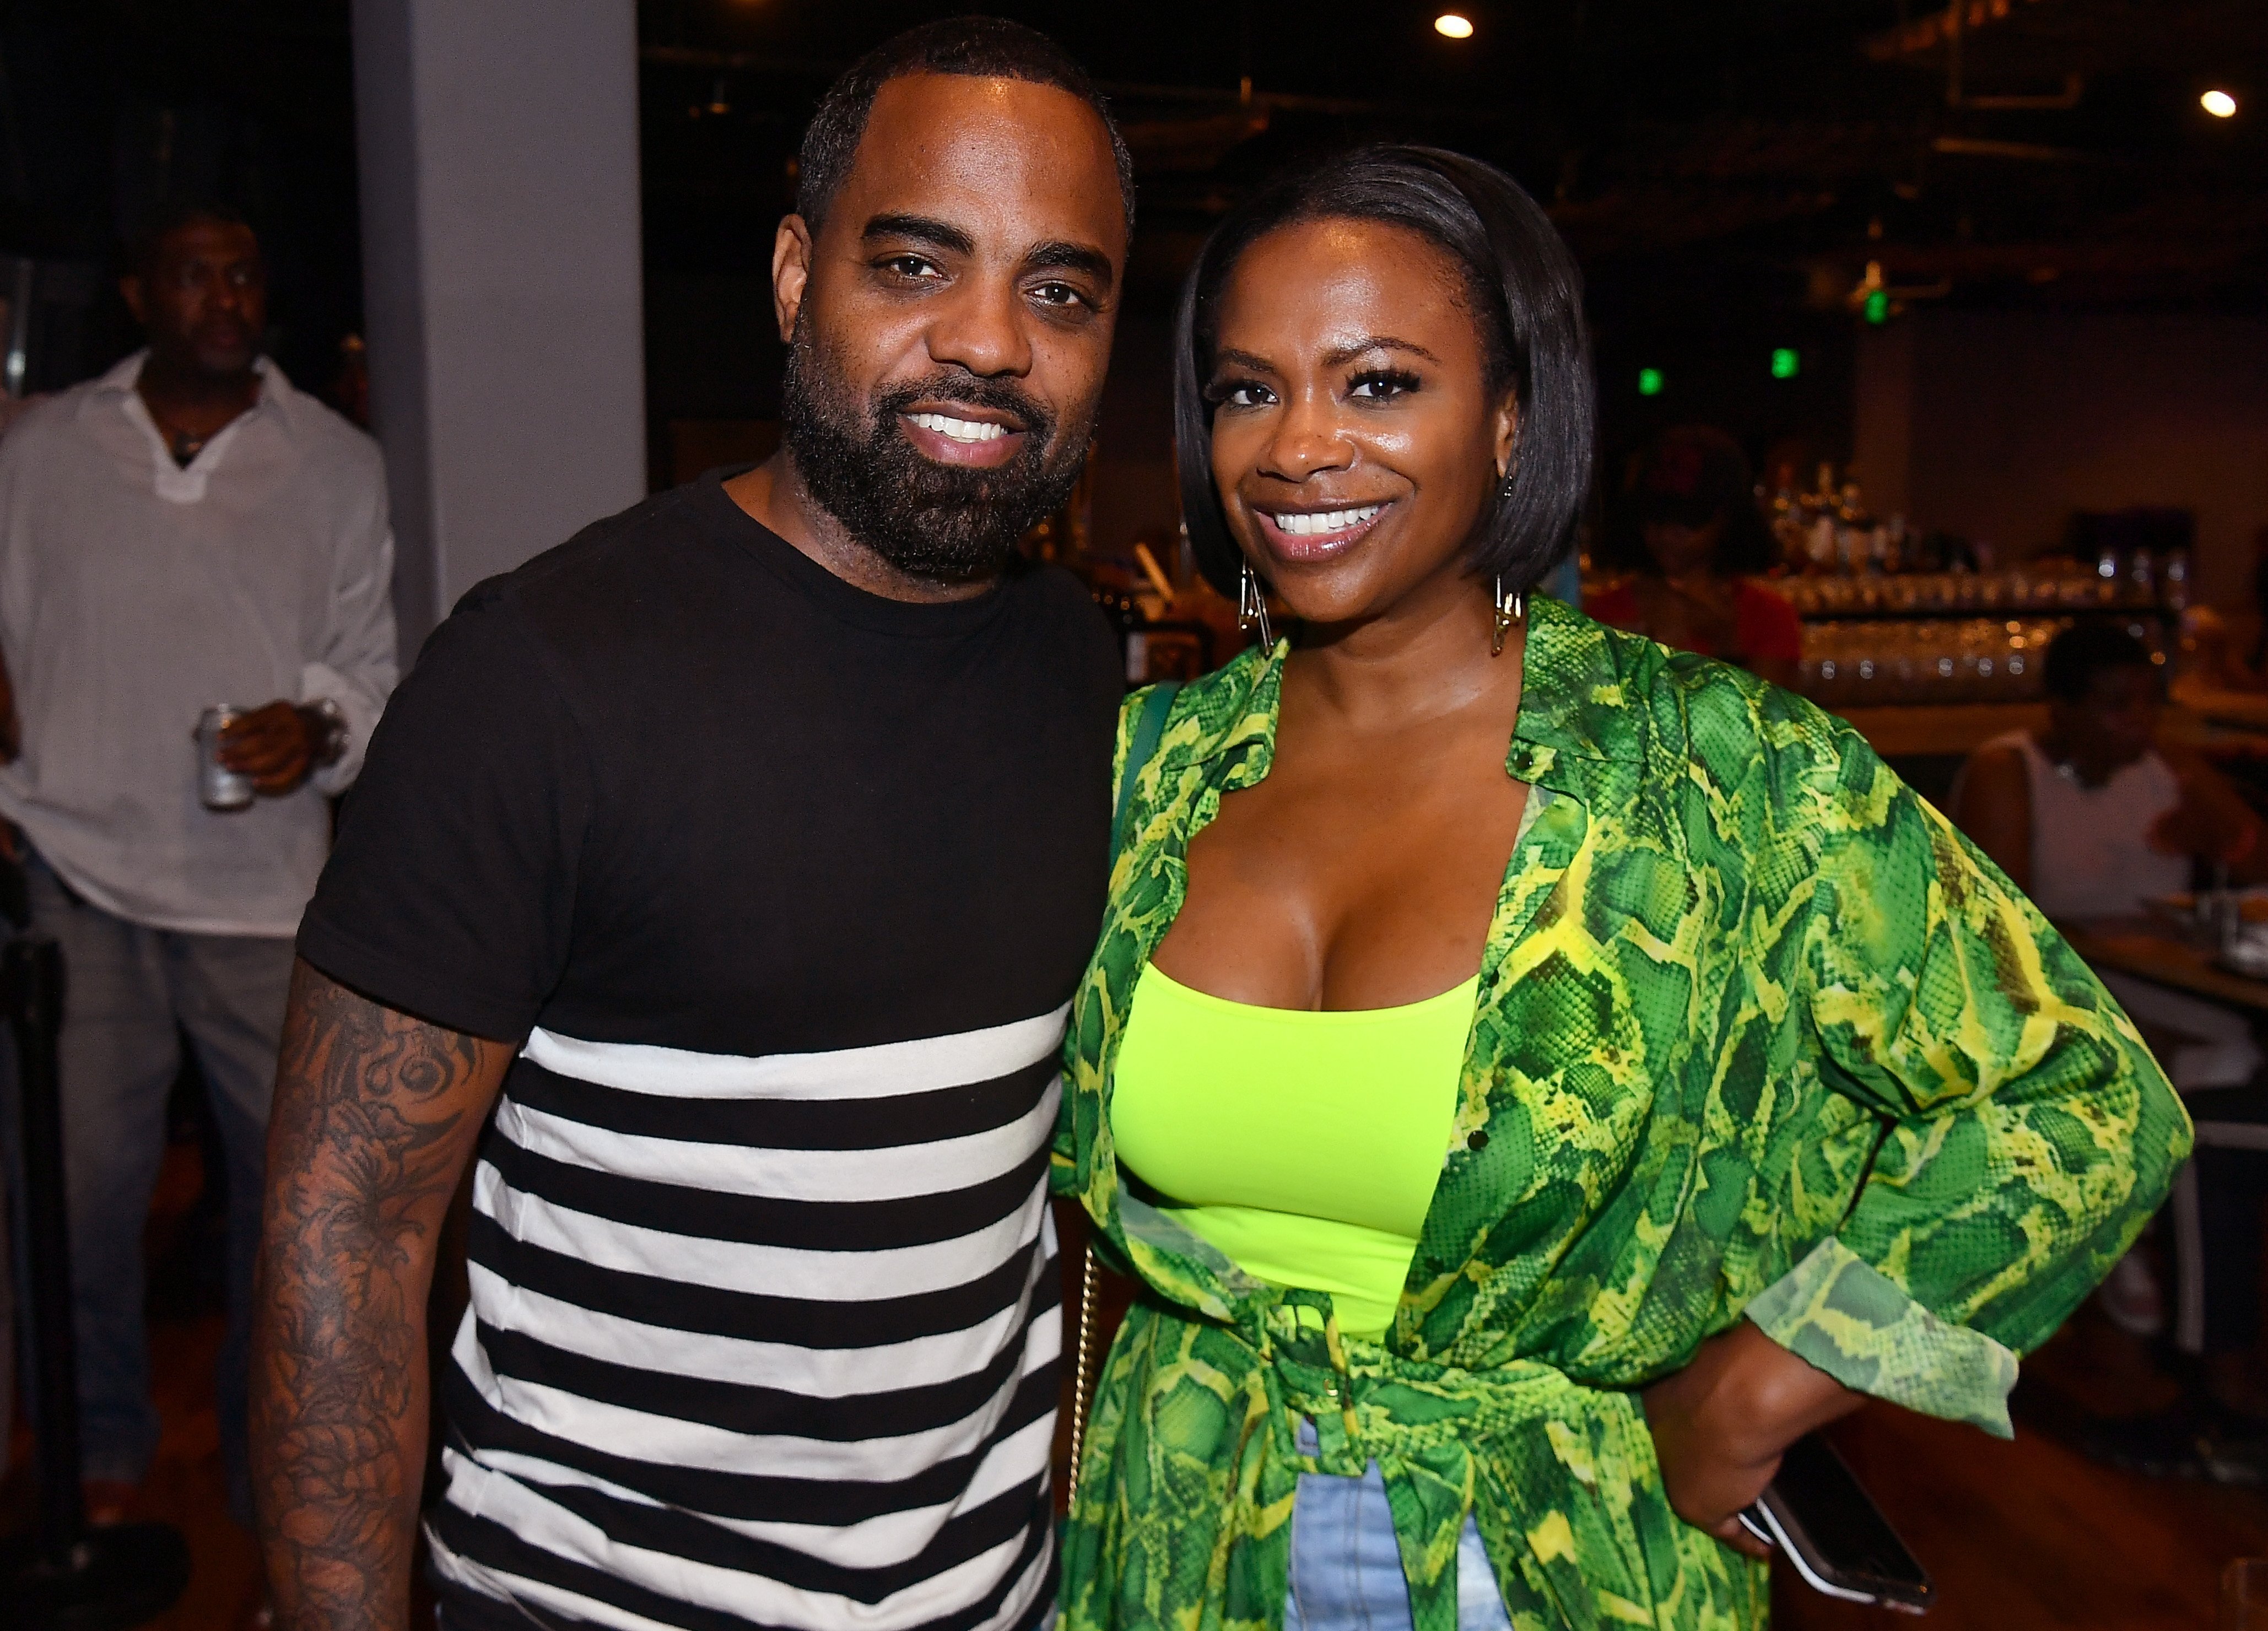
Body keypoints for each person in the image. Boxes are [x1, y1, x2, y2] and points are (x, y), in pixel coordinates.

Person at [1051, 145, 2187, 1631]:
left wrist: (1777, 1376)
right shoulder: (1147, 771)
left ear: (1512, 417)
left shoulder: (1714, 773)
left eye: (1379, 383)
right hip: (1180, 1533)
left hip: (1560, 1555)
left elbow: (2080, 1098)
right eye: (1245, 389)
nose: (1294, 447)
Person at [250, 20, 1131, 1631]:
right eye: (918, 263)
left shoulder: (1085, 669)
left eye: (1059, 289)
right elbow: (348, 1228)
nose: (992, 341)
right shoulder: (543, 675)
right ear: (798, 277)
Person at [0, 200, 395, 1526]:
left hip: (261, 891)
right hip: (73, 868)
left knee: (288, 1216)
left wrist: (320, 721)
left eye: (244, 270)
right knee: (76, 1204)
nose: (228, 294)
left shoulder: (337, 462)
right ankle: (97, 1451)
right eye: (194, 273)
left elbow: (369, 672)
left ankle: (262, 1466)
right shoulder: (42, 447)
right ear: (135, 292)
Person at [1953, 622, 2268, 1475]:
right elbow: (2005, 936)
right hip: (2065, 995)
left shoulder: (2162, 767)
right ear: (2063, 707)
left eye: (2150, 704)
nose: (2139, 723)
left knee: (2233, 1066)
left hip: (2168, 987)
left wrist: (2216, 826)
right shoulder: (2007, 769)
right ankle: (2140, 1270)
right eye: (2117, 706)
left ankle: (2168, 1279)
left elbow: (2249, 859)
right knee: (2182, 1075)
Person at [1583, 425, 1800, 689]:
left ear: (1727, 519)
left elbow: (1760, 723)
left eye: (1688, 519)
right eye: (1656, 516)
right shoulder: (1603, 615)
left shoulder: (1769, 617)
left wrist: (1721, 643)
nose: (1667, 533)